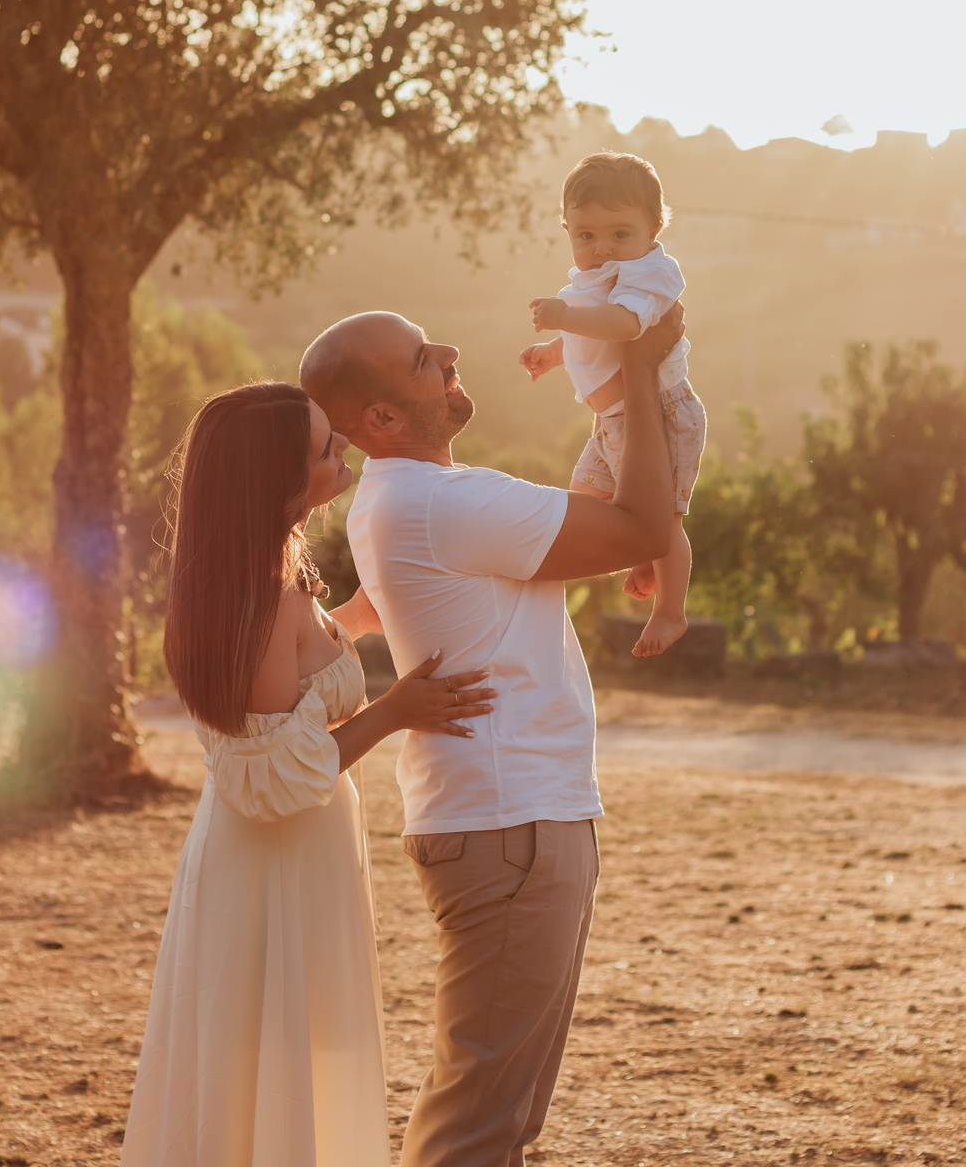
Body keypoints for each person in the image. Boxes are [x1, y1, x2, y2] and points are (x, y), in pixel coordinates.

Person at [299, 303, 682, 1167]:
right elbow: (644, 525)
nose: (449, 352)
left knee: (497, 1114)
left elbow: (614, 528)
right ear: (383, 419)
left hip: (505, 820)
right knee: (478, 1122)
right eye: (420, 356)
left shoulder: (399, 500)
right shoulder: (447, 502)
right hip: (513, 828)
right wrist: (646, 375)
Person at [119, 381, 496, 1167]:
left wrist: (367, 610)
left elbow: (301, 678)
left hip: (303, 854)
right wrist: (395, 710)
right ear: (276, 483)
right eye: (327, 448)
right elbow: (270, 782)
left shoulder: (277, 569)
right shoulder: (256, 600)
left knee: (297, 1060)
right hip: (272, 868)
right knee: (270, 1065)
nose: (345, 452)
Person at [521, 150, 707, 656]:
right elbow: (594, 341)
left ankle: (670, 613)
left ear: (655, 228)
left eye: (620, 233)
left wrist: (561, 317)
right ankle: (639, 554)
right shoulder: (592, 281)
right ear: (568, 230)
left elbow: (626, 327)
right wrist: (555, 353)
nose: (602, 248)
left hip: (661, 416)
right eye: (586, 236)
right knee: (582, 507)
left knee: (664, 518)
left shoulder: (649, 274)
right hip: (611, 422)